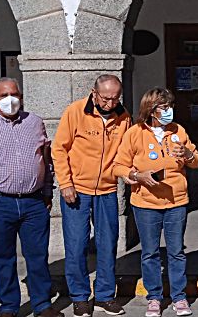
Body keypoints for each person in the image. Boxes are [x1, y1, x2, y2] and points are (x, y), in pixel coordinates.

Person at [0, 78, 62, 317]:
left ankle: (42, 305)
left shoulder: (35, 123)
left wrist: (47, 191)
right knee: (4, 258)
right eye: (4, 95)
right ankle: (9, 307)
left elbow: (46, 161)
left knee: (37, 256)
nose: (10, 99)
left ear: (22, 97)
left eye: (14, 94)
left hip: (33, 202)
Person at [113, 88, 198, 317]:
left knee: (176, 252)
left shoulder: (178, 130)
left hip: (176, 202)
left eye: (170, 106)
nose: (169, 111)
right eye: (164, 107)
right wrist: (136, 176)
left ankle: (179, 298)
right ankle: (154, 298)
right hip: (145, 203)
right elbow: (119, 166)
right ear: (151, 110)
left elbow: (196, 161)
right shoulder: (135, 133)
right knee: (149, 253)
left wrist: (189, 155)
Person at [51, 75, 131, 317]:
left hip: (107, 190)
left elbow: (125, 152)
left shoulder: (124, 116)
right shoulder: (75, 111)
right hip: (77, 189)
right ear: (94, 93)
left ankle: (105, 296)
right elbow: (59, 149)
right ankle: (79, 297)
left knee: (108, 244)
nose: (110, 103)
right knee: (76, 245)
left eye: (115, 98)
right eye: (106, 98)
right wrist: (65, 183)